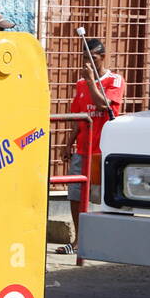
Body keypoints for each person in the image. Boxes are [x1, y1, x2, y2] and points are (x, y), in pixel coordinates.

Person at [63, 37, 124, 250]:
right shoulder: (80, 84)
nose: (88, 64)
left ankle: (101, 241)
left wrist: (91, 81)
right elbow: (78, 117)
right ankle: (79, 240)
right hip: (82, 148)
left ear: (103, 58)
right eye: (84, 59)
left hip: (102, 150)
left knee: (100, 196)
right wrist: (67, 143)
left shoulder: (114, 80)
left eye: (93, 59)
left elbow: (104, 105)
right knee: (75, 195)